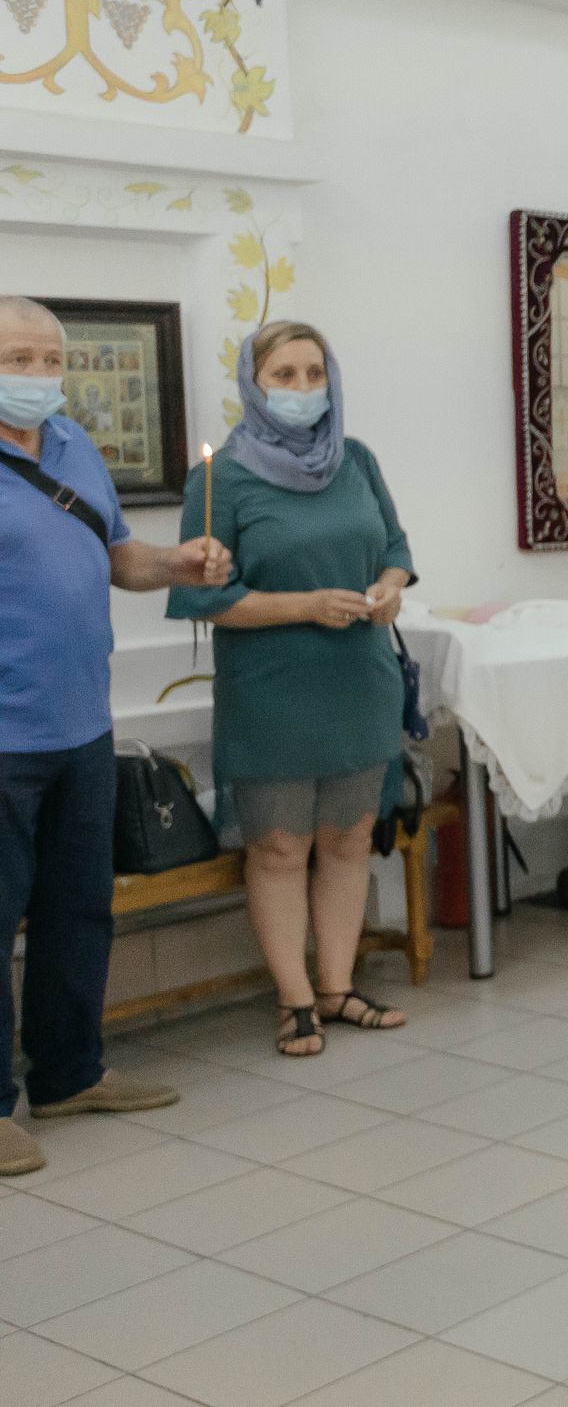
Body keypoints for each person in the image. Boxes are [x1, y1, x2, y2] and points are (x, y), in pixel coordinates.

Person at [0, 294, 230, 1176]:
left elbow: (116, 554)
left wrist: (175, 562)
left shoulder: (72, 445)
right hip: (6, 736)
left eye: (48, 360)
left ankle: (69, 1073)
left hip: (84, 726)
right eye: (16, 359)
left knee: (77, 907)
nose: (37, 375)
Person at [167, 322, 415, 1058]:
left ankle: (337, 987)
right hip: (272, 692)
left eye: (314, 373)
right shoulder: (220, 479)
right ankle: (295, 999)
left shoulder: (356, 460)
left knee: (347, 840)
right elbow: (205, 599)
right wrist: (305, 605)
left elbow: (395, 549)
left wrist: (389, 587)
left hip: (358, 681)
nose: (303, 388)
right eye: (284, 374)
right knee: (278, 848)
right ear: (254, 384)